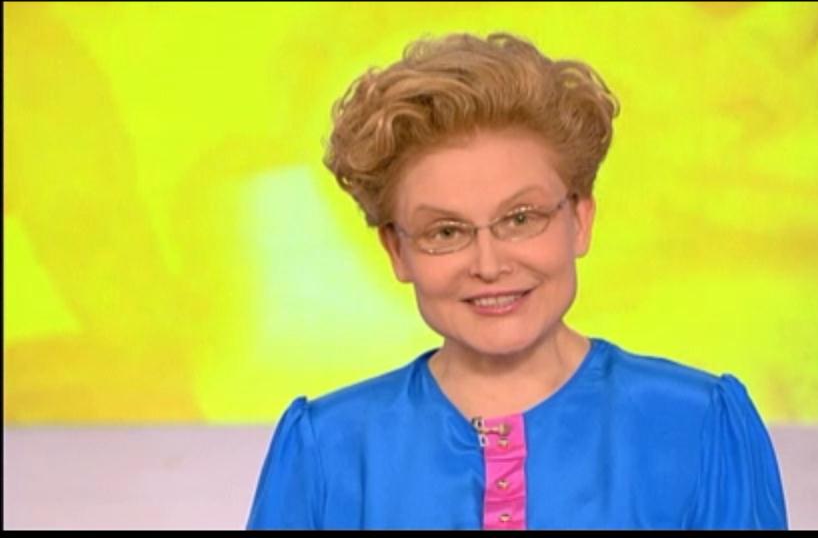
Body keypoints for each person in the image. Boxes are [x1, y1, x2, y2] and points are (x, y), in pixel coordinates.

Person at [246, 32, 788, 530]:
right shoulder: (328, 450)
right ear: (397, 249)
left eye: (521, 218)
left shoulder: (698, 425)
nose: (488, 264)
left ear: (580, 220)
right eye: (446, 231)